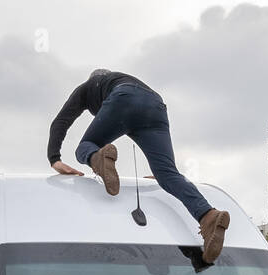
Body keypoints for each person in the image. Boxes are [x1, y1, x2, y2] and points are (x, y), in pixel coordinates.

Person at [47, 69, 230, 264]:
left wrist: (54, 158)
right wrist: (158, 171)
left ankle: (97, 158)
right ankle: (207, 214)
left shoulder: (88, 87)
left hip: (123, 99)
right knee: (167, 173)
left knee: (84, 147)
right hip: (155, 106)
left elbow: (61, 121)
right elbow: (140, 105)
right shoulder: (122, 79)